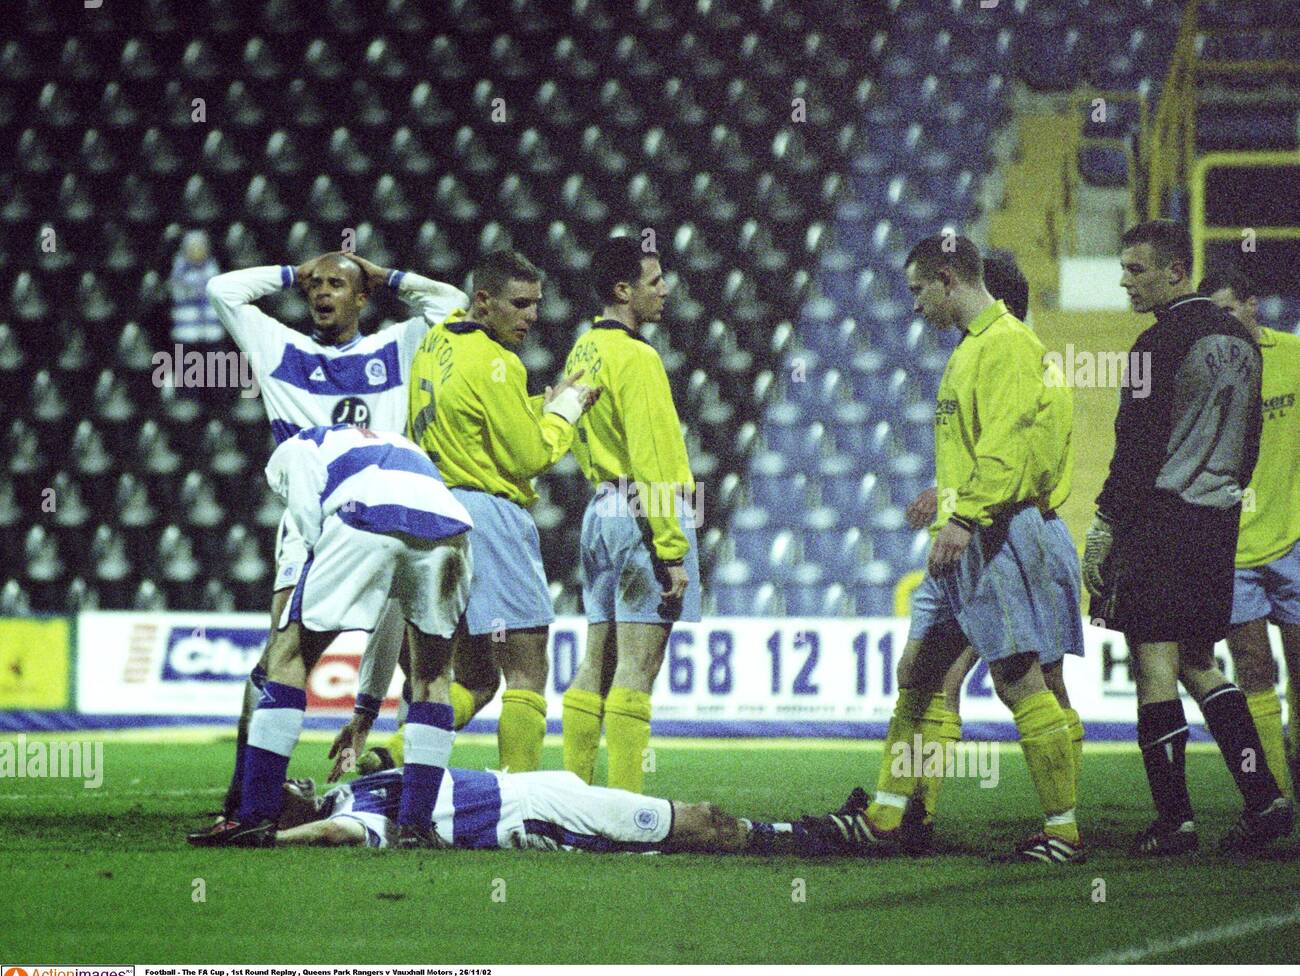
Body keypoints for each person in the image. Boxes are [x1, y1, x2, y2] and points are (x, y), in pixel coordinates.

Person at [191, 254, 467, 841]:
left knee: (296, 656)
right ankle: (250, 795)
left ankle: (255, 812)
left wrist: (384, 274)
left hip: (364, 501)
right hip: (350, 505)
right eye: (314, 286)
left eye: (336, 284)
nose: (321, 292)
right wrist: (294, 270)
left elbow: (450, 305)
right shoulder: (279, 346)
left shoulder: (396, 347)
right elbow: (223, 290)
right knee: (282, 661)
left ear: (361, 296)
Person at [853, 232, 1083, 864]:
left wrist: (966, 516)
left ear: (948, 278)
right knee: (922, 676)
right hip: (971, 533)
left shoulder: (1007, 345)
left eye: (917, 290)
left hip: (994, 536)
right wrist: (949, 500)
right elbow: (980, 445)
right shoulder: (974, 349)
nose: (914, 305)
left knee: (1018, 678)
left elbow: (1008, 444)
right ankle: (892, 813)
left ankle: (1063, 831)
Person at [1082, 220, 1292, 855]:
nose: (1124, 280)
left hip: (1161, 521)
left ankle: (1174, 819)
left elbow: (1136, 448)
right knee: (1200, 660)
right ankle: (1264, 798)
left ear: (1175, 272)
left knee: (1155, 661)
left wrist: (1103, 526)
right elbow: (1250, 438)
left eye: (1136, 269)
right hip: (1218, 521)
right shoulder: (1242, 341)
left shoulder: (1154, 345)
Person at [188, 424, 473, 848]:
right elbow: (391, 615)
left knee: (287, 658)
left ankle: (255, 817)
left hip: (363, 517)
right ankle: (415, 828)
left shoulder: (296, 447)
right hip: (450, 528)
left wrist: (313, 574)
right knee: (434, 679)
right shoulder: (398, 445)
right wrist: (366, 710)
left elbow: (306, 528)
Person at [405, 250, 601, 773]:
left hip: (432, 512)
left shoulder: (437, 341)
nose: (532, 316)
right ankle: (521, 796)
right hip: (488, 514)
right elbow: (530, 456)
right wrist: (568, 408)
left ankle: (397, 753)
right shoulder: (499, 363)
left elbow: (482, 419)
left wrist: (541, 404)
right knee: (527, 666)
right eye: (519, 304)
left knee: (473, 679)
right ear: (484, 300)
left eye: (537, 304)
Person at [559, 236, 699, 793]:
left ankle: (570, 794)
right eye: (654, 281)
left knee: (597, 660)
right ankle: (621, 807)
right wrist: (671, 549)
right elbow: (655, 456)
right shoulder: (637, 356)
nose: (665, 290)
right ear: (623, 291)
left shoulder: (582, 349)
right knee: (637, 670)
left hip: (601, 510)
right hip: (644, 511)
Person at [271, 767, 878, 857]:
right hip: (539, 816)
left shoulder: (354, 785)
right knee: (697, 820)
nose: (290, 777)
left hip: (540, 786)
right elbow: (331, 834)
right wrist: (269, 841)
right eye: (281, 788)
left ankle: (811, 830)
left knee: (692, 817)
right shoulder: (360, 817)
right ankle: (823, 836)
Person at [1199, 266, 1300, 800]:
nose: (1222, 322)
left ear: (1253, 304)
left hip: (1294, 541)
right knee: (1254, 669)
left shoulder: (1294, 356)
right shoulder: (1206, 370)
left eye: (1229, 309)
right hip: (1233, 547)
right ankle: (1275, 797)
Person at [169, 230, 223, 344]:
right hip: (187, 328)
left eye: (200, 247)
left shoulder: (212, 268)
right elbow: (179, 292)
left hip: (211, 328)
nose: (197, 251)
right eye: (192, 247)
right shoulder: (179, 270)